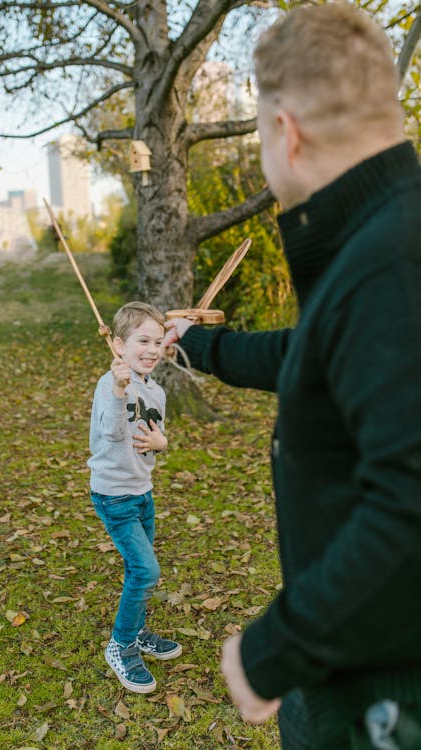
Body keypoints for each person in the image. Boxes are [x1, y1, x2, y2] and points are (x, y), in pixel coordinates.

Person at [164, 4, 421, 748]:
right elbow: (317, 357)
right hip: (356, 668)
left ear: (286, 131)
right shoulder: (382, 240)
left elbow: (410, 508)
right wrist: (202, 346)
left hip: (387, 701)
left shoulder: (392, 262)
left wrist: (273, 650)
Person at [88, 301, 182, 694]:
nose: (151, 349)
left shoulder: (156, 390)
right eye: (143, 340)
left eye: (157, 341)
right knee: (147, 571)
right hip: (114, 496)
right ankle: (121, 645)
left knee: (137, 571)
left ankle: (138, 630)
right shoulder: (111, 386)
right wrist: (119, 388)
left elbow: (151, 438)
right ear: (119, 345)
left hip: (143, 492)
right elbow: (112, 433)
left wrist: (163, 443)